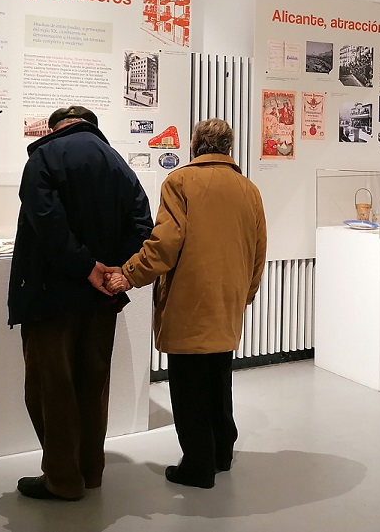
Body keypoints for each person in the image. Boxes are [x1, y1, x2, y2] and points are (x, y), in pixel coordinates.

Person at [106, 119, 267, 489]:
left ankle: (197, 466)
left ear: (195, 146)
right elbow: (259, 250)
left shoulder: (179, 182)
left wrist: (129, 274)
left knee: (189, 387)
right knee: (219, 380)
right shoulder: (249, 189)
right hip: (228, 300)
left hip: (188, 301)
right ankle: (221, 453)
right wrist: (245, 295)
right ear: (228, 148)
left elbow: (165, 244)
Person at [8, 105, 153, 501]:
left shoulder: (43, 157)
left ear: (56, 127)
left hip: (49, 296)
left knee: (51, 386)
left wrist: (85, 265)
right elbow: (143, 226)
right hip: (101, 298)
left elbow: (46, 220)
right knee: (93, 384)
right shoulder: (118, 164)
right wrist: (113, 270)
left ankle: (62, 478)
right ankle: (90, 472)